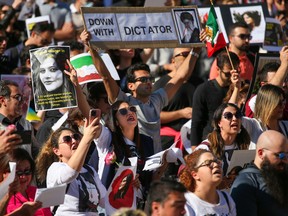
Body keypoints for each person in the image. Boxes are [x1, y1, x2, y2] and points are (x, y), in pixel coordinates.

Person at [80, 29, 200, 153]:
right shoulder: (123, 101)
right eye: (142, 79)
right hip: (134, 164)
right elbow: (106, 77)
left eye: (149, 78)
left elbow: (180, 76)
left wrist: (196, 50)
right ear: (131, 86)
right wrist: (92, 49)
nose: (148, 82)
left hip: (156, 163)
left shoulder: (157, 99)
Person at [35, 124, 107, 215]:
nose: (74, 141)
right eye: (67, 139)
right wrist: (87, 138)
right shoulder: (55, 168)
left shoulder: (89, 170)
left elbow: (105, 201)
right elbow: (71, 172)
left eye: (76, 137)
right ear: (57, 151)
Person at [230, 130, 288, 215]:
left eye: (287, 154)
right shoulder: (246, 184)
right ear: (261, 153)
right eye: (281, 155)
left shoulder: (281, 174)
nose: (286, 160)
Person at [190, 50, 240, 148]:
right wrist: (195, 149)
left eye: (235, 72)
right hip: (211, 142)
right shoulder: (204, 90)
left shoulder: (240, 88)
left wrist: (237, 88)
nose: (231, 77)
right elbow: (196, 123)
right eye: (227, 74)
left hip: (234, 143)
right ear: (218, 69)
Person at [153, 48, 195, 150]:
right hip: (168, 141)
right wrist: (181, 113)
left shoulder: (198, 82)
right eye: (184, 54)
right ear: (173, 61)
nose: (189, 57)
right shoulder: (162, 84)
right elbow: (154, 115)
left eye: (191, 54)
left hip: (192, 140)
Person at [195, 103, 250, 175]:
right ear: (219, 123)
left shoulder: (243, 145)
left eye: (238, 115)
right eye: (228, 116)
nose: (235, 119)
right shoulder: (205, 148)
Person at [179, 149, 236, 216]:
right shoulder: (187, 204)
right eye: (208, 163)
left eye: (217, 162)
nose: (216, 165)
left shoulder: (227, 199)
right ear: (195, 175)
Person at [231, 84, 288, 149]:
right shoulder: (252, 125)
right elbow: (230, 112)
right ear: (265, 104)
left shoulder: (286, 126)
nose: (282, 106)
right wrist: (236, 88)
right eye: (278, 102)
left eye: (283, 101)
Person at [5, 148, 51, 216]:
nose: (23, 176)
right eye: (18, 173)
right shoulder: (3, 198)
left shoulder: (37, 192)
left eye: (27, 171)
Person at [245, 46, 288, 118]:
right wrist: (285, 63)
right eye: (279, 79)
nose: (283, 84)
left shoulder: (285, 103)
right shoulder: (254, 101)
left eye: (285, 79)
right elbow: (271, 92)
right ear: (263, 84)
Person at [30, 46, 77, 111]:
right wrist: (42, 107)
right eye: (42, 71)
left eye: (52, 69)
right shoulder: (31, 104)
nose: (46, 76)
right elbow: (36, 120)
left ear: (64, 71)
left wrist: (75, 83)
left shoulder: (77, 96)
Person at [0, 80, 38, 158]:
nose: (23, 102)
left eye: (23, 98)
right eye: (18, 97)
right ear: (3, 101)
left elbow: (35, 151)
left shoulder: (25, 123)